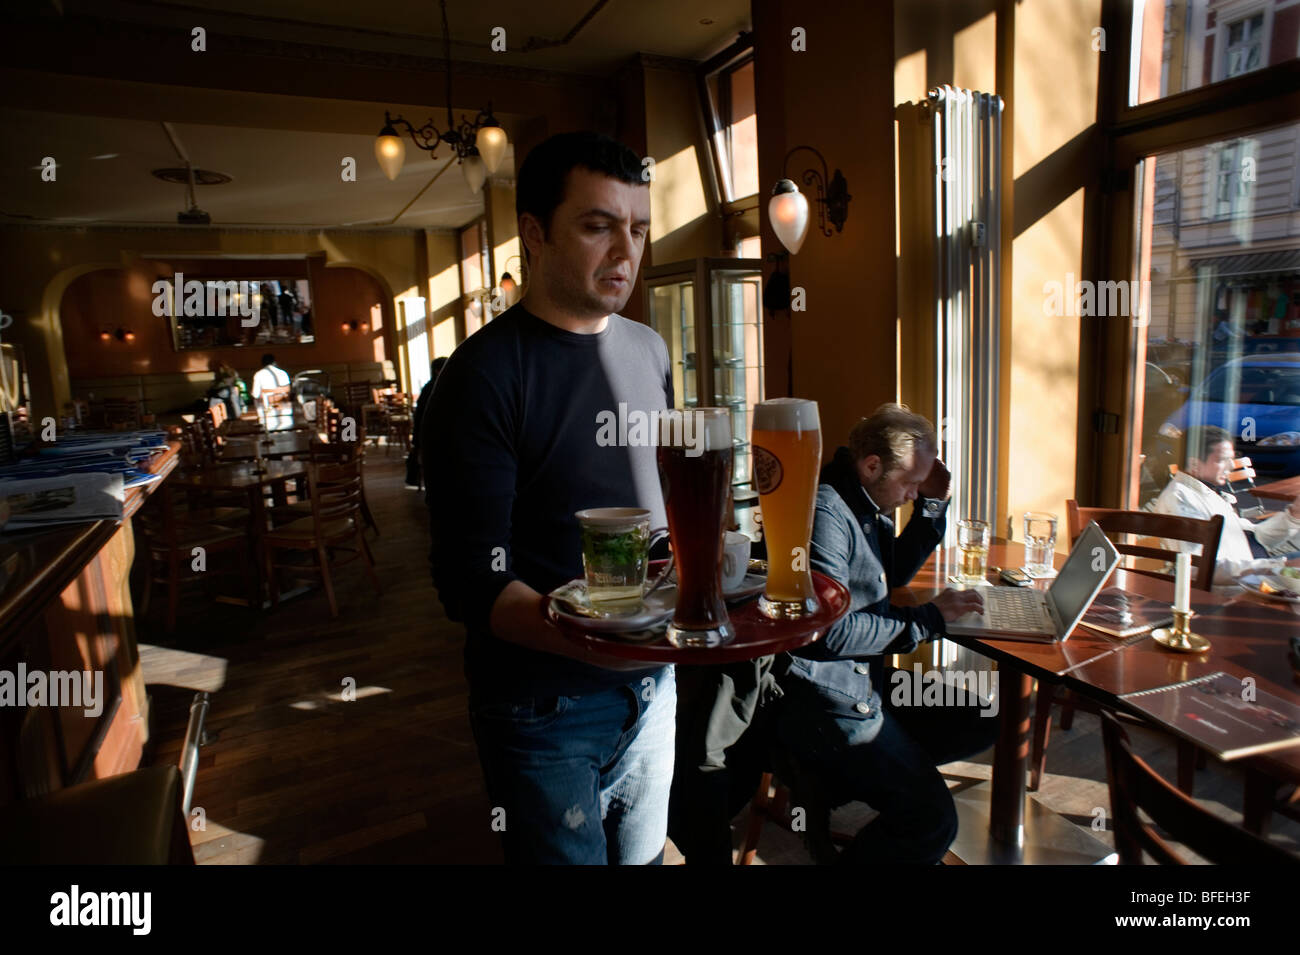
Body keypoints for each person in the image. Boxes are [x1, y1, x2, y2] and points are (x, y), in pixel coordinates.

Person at [422, 131, 674, 864]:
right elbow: (470, 583)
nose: (626, 253)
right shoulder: (482, 377)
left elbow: (657, 518)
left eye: (638, 228)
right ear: (534, 234)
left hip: (655, 690)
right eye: (598, 226)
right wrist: (608, 641)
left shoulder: (649, 349)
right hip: (543, 707)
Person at [772, 403, 995, 865]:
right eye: (911, 484)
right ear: (872, 464)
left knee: (984, 717)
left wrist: (933, 504)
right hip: (826, 697)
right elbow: (826, 633)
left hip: (865, 680)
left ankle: (854, 777)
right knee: (932, 819)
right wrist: (930, 620)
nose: (913, 493)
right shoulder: (826, 511)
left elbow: (891, 571)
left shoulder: (867, 498)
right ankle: (852, 774)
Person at [1153, 425, 1300, 584]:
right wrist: (1279, 566)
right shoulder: (1179, 499)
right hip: (1228, 595)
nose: (1230, 466)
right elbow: (1196, 567)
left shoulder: (1206, 492)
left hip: (1249, 577)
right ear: (1194, 464)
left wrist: (1293, 514)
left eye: (1232, 457)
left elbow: (1256, 537)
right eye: (1223, 459)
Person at [406, 357, 448, 488]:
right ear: (437, 370)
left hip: (426, 434)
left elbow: (418, 416)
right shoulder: (437, 388)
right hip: (433, 435)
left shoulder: (428, 388)